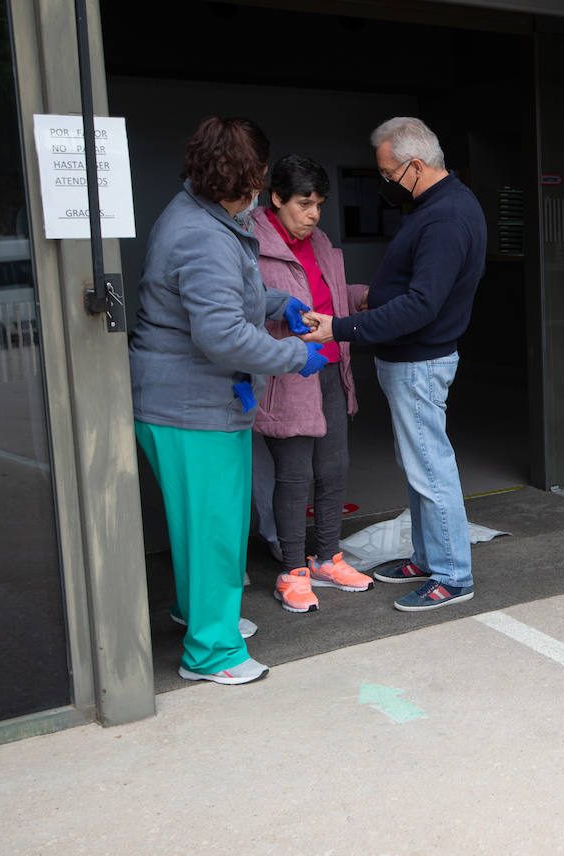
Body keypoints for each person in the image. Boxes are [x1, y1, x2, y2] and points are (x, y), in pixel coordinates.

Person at [130, 116, 328, 685]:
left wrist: (274, 304)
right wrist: (296, 357)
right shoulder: (203, 231)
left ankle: (202, 616)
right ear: (253, 175)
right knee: (213, 526)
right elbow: (217, 333)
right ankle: (211, 653)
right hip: (191, 406)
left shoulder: (201, 213)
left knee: (206, 522)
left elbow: (225, 293)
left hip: (197, 402)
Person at [299, 116, 486, 612]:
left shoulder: (445, 217)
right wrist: (371, 302)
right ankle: (429, 558)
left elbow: (422, 304)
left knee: (431, 469)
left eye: (388, 174)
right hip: (412, 359)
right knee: (419, 465)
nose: (385, 183)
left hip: (419, 362)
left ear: (416, 165)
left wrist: (339, 328)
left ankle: (452, 576)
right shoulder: (437, 206)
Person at [252, 154, 375, 612]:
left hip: (329, 367)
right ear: (276, 198)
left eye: (319, 204)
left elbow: (331, 297)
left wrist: (366, 296)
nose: (313, 215)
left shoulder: (321, 242)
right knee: (294, 475)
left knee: (334, 469)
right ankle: (292, 571)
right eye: (304, 204)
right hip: (286, 374)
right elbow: (240, 308)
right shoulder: (250, 242)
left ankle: (326, 558)